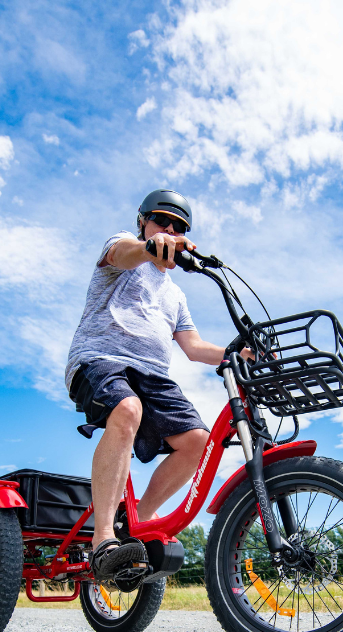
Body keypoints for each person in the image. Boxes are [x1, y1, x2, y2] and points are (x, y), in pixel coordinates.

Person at [65, 189, 252, 583]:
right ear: (143, 221)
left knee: (200, 442)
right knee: (127, 409)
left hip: (154, 376)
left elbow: (194, 347)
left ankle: (138, 523)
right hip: (100, 360)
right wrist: (150, 247)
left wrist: (240, 353)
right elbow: (123, 254)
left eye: (178, 226)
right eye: (161, 221)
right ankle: (103, 541)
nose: (169, 229)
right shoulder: (123, 248)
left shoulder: (176, 295)